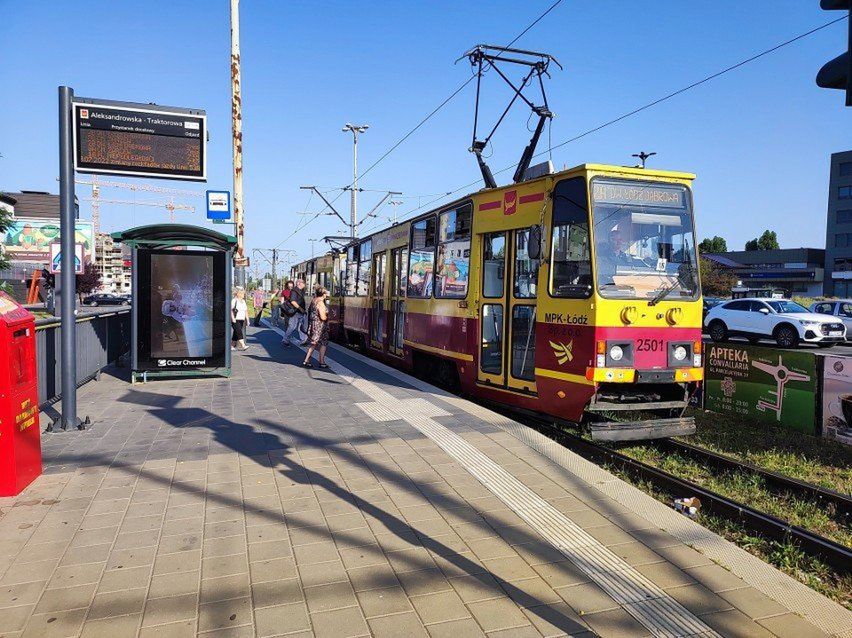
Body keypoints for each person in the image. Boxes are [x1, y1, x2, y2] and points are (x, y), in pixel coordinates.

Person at [302, 286, 330, 368]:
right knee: (323, 343)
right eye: (326, 293)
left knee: (313, 343)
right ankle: (321, 362)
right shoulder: (320, 303)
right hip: (320, 327)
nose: (326, 295)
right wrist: (328, 317)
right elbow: (322, 317)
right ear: (323, 294)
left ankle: (306, 360)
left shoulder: (314, 300)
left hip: (313, 325)